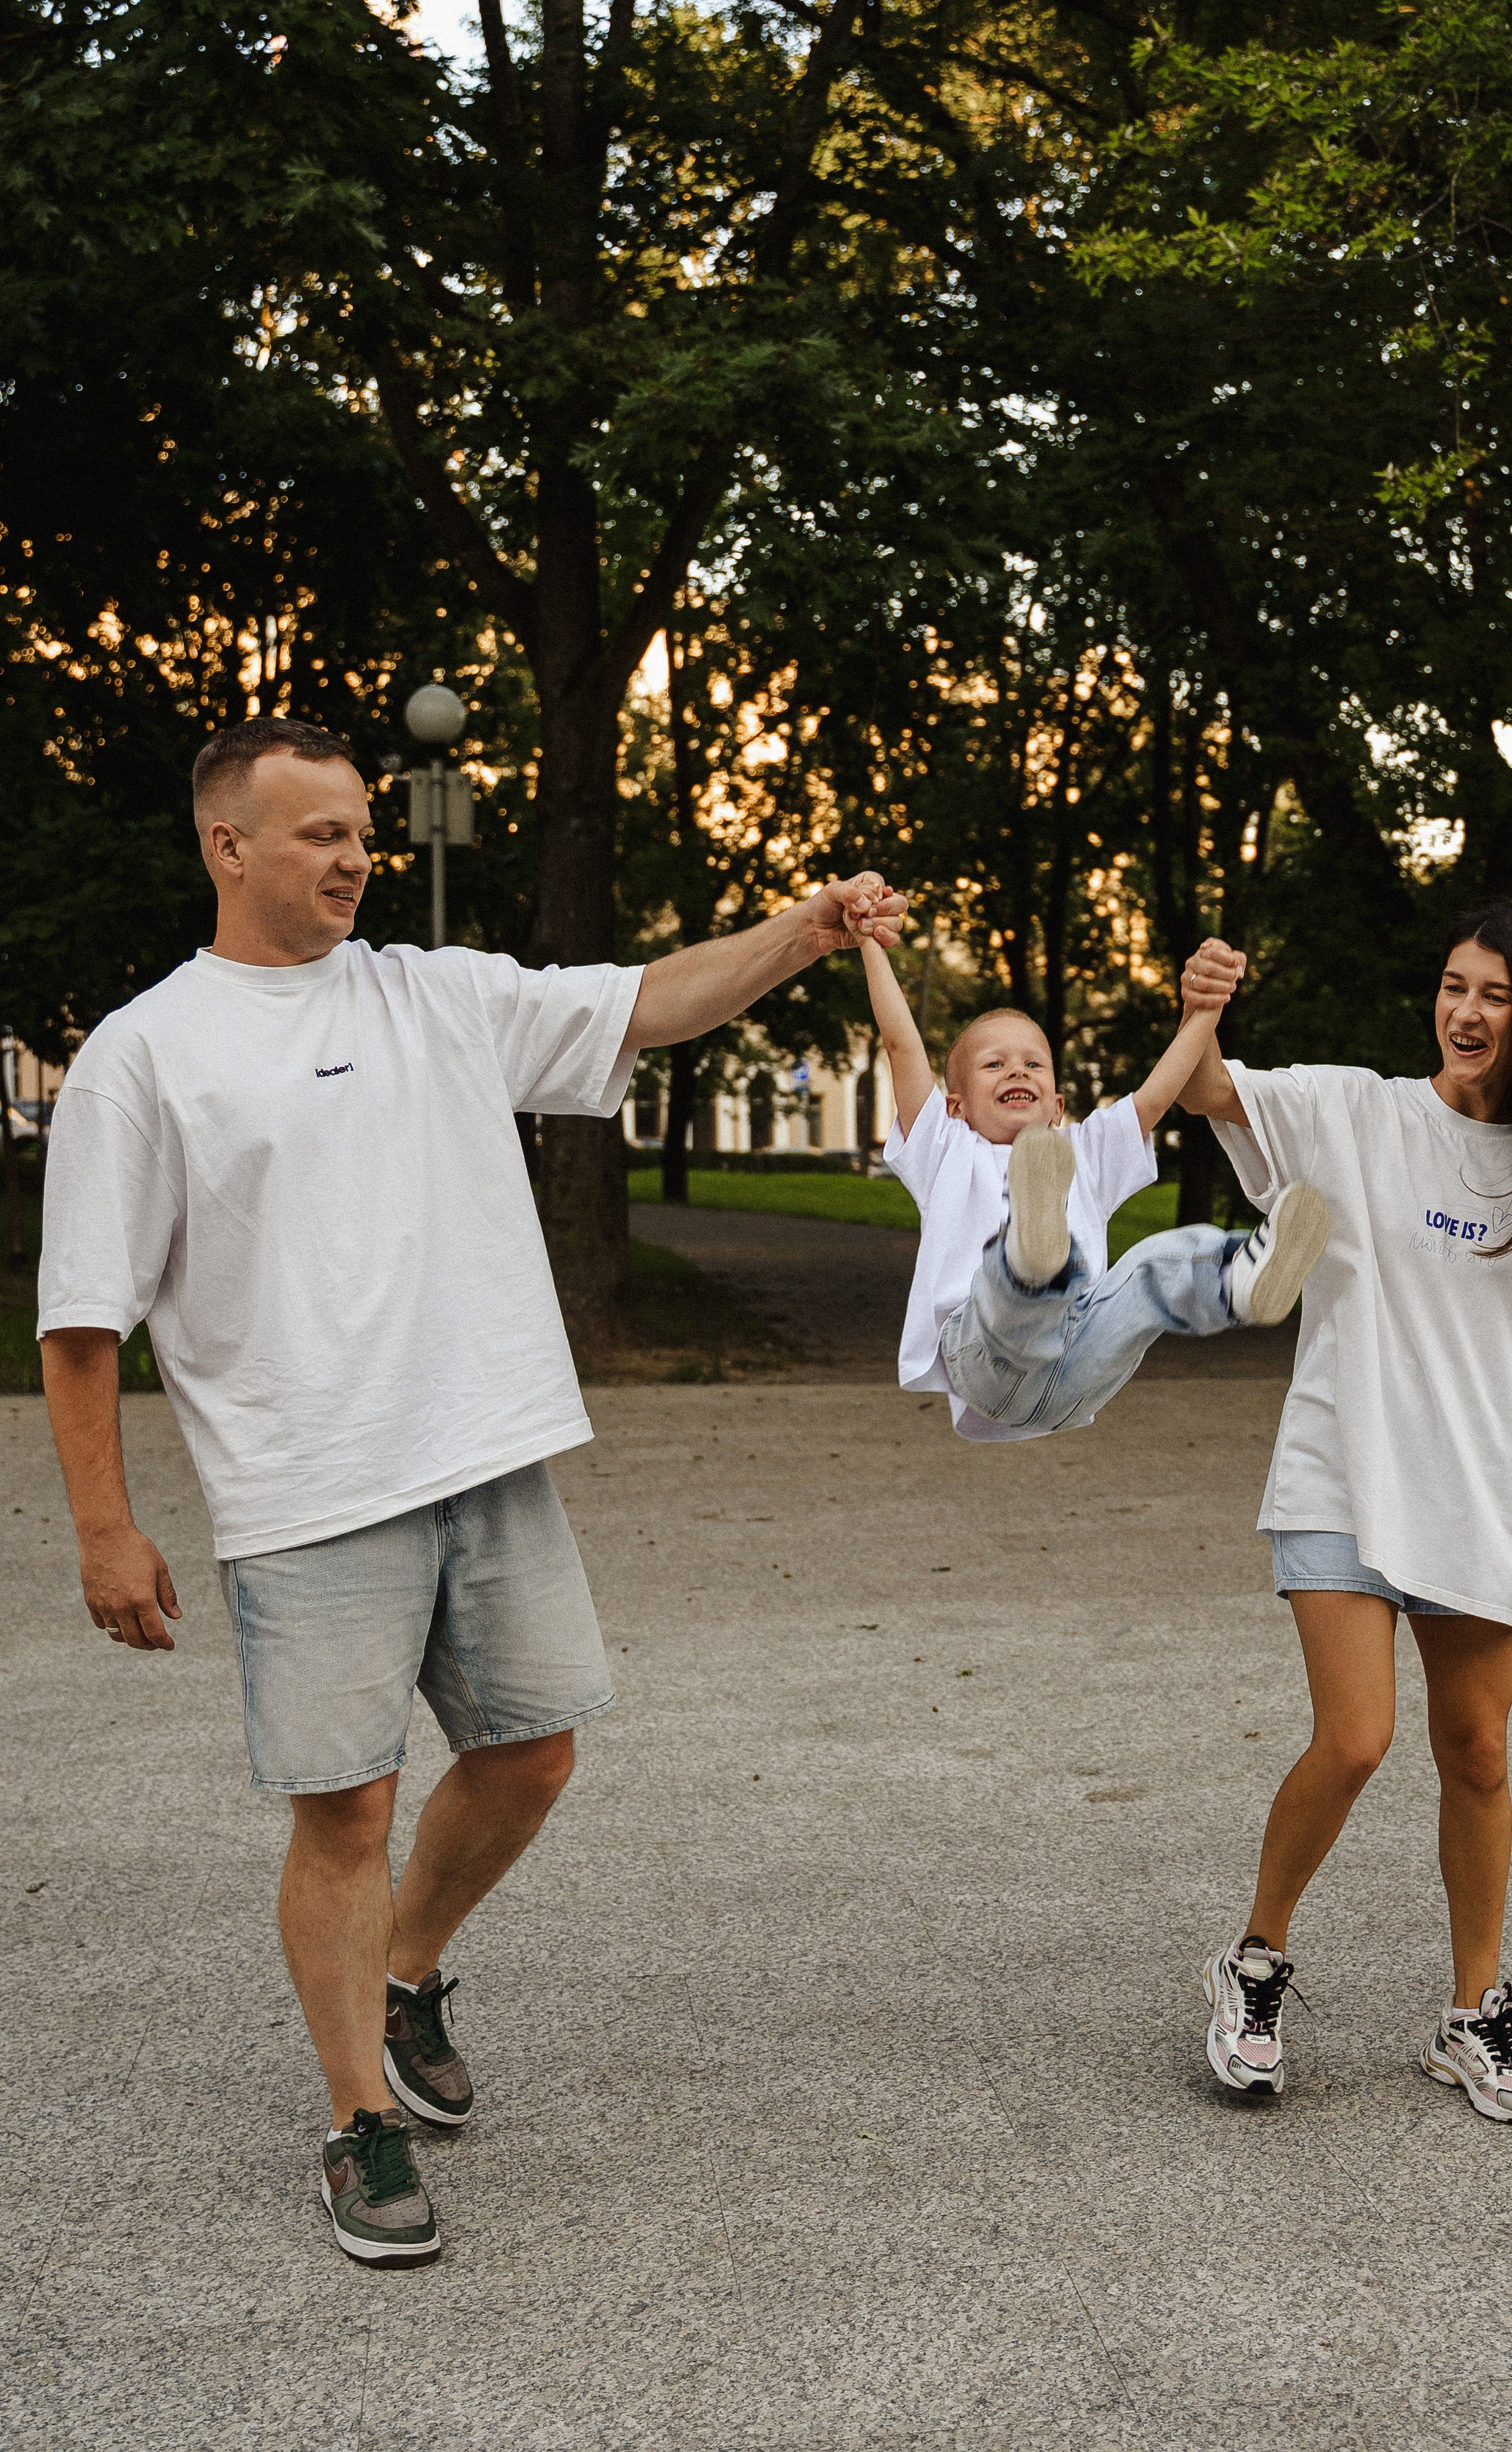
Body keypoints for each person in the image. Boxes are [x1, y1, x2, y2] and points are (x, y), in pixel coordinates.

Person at [37, 713, 904, 2269]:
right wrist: (104, 1526)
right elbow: (84, 1318)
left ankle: (407, 1966)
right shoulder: (143, 1055)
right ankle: (355, 2119)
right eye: (319, 831)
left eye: (364, 827)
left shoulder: (438, 994)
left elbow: (649, 1000)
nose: (355, 852)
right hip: (308, 1492)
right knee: (347, 1810)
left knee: (535, 1755)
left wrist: (804, 929)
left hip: (481, 1453)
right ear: (227, 846)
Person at [1177, 901, 1512, 2124]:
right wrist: (1198, 1012)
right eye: (1453, 986)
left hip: (1490, 1499)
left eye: (1494, 996)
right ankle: (1253, 1964)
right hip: (1343, 1473)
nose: (1464, 1011)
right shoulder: (1361, 1113)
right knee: (1357, 1737)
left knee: (1480, 1753)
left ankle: (1472, 2016)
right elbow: (1209, 1094)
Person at [860, 929, 1330, 1442]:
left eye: (1034, 1064)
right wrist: (869, 942)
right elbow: (902, 1045)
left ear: (1058, 1107)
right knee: (1009, 1287)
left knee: (1151, 1270)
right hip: (987, 1360)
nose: (1017, 1069)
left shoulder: (1085, 1150)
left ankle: (1235, 1279)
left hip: (1077, 1363)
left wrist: (1207, 1005)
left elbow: (1158, 1092)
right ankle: (1030, 1264)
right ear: (955, 1105)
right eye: (994, 1064)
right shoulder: (945, 1149)